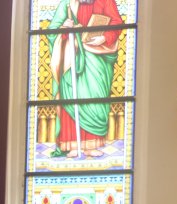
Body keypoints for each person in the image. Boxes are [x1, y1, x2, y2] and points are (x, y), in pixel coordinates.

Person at [47, 0, 124, 158]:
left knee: (95, 97)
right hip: (72, 56)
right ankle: (72, 144)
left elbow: (117, 22)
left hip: (97, 56)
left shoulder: (106, 1)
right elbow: (52, 30)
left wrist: (104, 37)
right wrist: (64, 28)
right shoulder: (67, 3)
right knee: (71, 96)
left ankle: (91, 144)